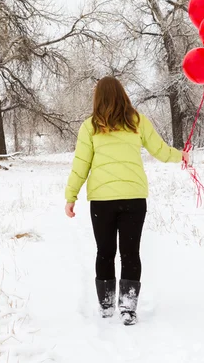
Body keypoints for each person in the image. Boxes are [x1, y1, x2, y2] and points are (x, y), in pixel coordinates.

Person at [64, 76, 188, 325]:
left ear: (97, 98)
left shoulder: (90, 126)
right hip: (134, 199)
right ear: (123, 95)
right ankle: (128, 307)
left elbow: (81, 165)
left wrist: (71, 196)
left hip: (102, 201)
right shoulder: (137, 122)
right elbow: (160, 150)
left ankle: (107, 304)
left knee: (105, 252)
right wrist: (181, 156)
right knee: (130, 253)